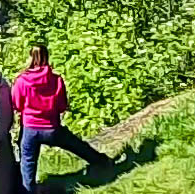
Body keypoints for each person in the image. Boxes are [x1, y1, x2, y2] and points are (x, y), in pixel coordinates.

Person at [9, 43, 116, 179]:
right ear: (47, 57)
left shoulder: (21, 81)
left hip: (30, 128)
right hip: (52, 128)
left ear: (30, 58)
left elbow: (17, 105)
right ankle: (103, 162)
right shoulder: (56, 80)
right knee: (77, 145)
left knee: (28, 163)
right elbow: (62, 106)